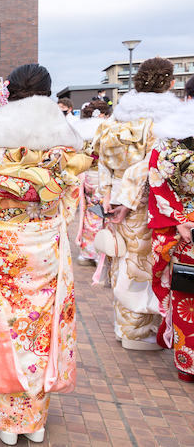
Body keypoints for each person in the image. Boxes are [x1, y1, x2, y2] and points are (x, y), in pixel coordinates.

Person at [0, 64, 90, 445]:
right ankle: (34, 419)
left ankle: (6, 418)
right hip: (46, 244)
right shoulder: (65, 136)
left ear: (9, 91)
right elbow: (71, 197)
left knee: (2, 322)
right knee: (41, 323)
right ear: (47, 91)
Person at [93, 56, 182, 350]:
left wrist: (108, 196)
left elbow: (103, 164)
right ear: (169, 83)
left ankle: (123, 327)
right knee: (144, 263)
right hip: (146, 201)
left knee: (123, 260)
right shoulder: (167, 120)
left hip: (117, 198)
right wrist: (130, 201)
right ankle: (139, 334)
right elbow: (151, 167)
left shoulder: (118, 118)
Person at [147, 99, 194, 381]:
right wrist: (182, 220)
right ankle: (187, 362)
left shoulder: (167, 140)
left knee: (187, 296)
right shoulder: (170, 140)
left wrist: (179, 219)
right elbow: (157, 180)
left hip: (182, 225)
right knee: (186, 291)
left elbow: (157, 183)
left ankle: (188, 364)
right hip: (185, 227)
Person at [73, 100, 112, 267]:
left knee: (90, 213)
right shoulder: (106, 130)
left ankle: (86, 252)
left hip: (86, 175)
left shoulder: (81, 130)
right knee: (103, 214)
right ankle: (98, 253)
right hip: (102, 176)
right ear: (102, 114)